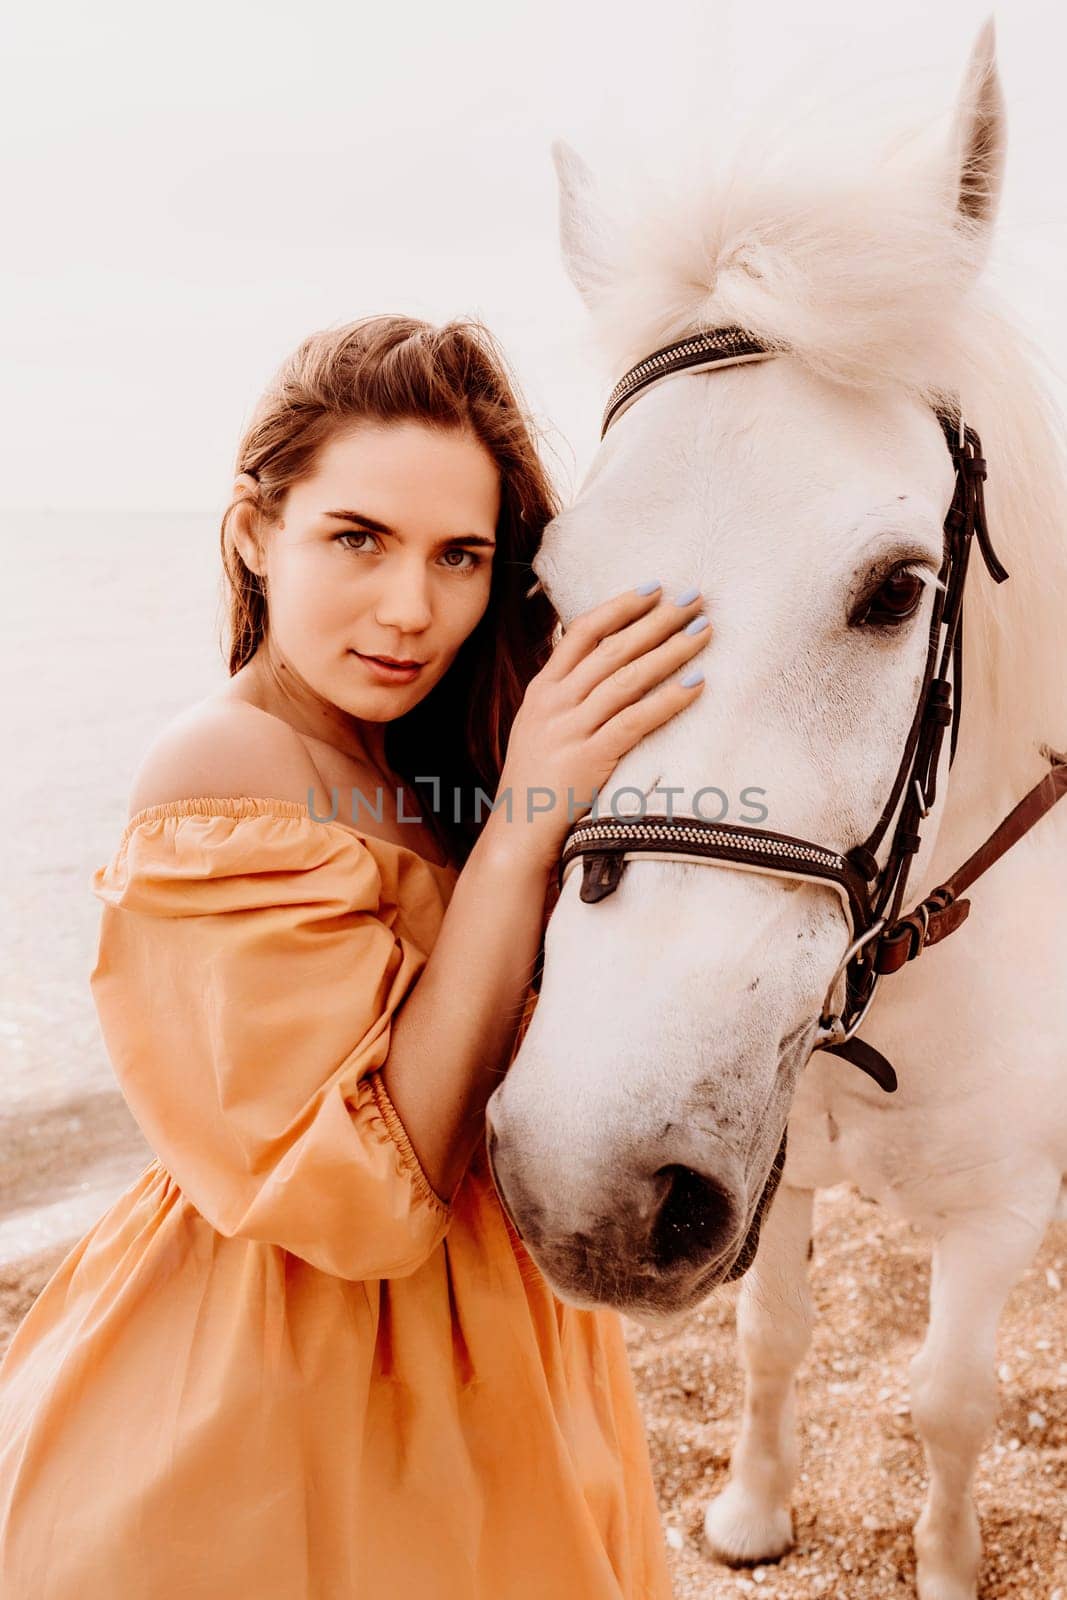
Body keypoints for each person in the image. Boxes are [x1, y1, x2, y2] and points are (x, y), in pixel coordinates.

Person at [0, 314, 711, 1598]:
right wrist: (520, 832)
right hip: (292, 1369)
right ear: (252, 534)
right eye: (357, 538)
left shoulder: (425, 756)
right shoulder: (222, 768)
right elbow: (374, 1200)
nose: (410, 608)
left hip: (505, 1344)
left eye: (461, 556)